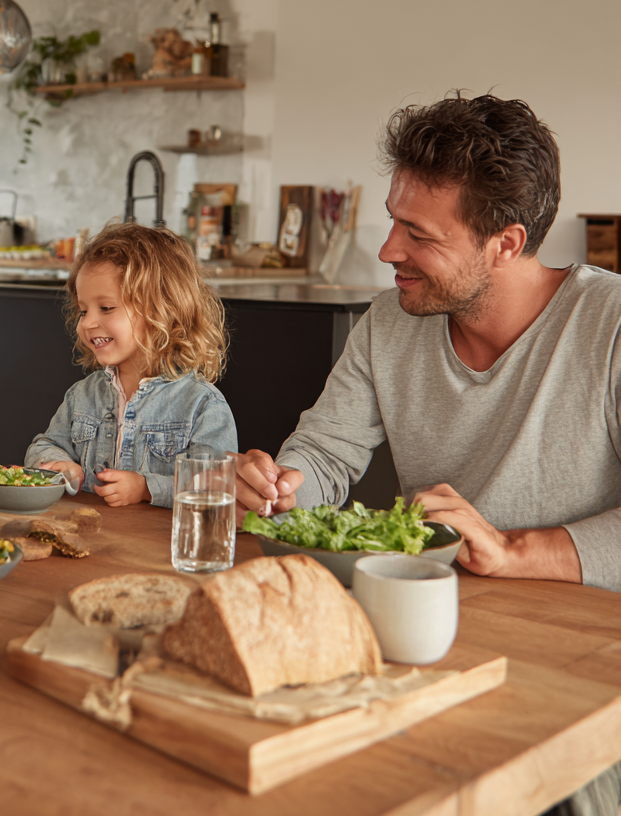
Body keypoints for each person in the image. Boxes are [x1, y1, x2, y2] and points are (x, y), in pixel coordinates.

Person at [234, 92, 621, 816]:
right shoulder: (389, 323)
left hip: (584, 668)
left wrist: (515, 551)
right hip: (429, 646)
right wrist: (280, 486)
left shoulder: (611, 325)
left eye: (418, 234)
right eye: (393, 219)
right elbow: (323, 453)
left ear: (505, 243)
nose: (388, 251)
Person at [25, 222, 237, 507]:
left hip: (156, 549)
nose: (87, 323)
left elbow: (217, 484)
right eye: (83, 310)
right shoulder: (81, 396)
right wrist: (59, 465)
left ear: (162, 309)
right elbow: (44, 446)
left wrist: (148, 488)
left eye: (107, 308)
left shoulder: (202, 405)